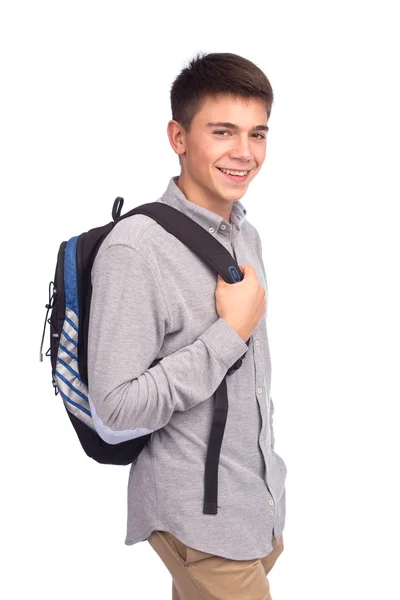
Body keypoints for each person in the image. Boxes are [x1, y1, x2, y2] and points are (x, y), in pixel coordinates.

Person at [88, 51, 287, 600]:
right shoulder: (137, 250)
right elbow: (115, 407)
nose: (244, 153)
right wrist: (229, 334)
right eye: (223, 131)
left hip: (254, 505)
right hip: (197, 519)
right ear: (178, 137)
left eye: (258, 134)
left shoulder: (245, 235)